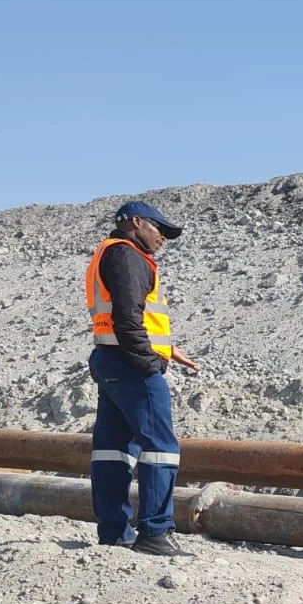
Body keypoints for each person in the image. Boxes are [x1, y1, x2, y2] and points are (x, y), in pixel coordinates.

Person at [85, 200, 200, 556]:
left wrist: (166, 349)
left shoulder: (109, 252)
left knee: (112, 450)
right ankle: (155, 531)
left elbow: (124, 319)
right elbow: (126, 318)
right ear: (136, 222)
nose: (163, 237)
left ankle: (114, 532)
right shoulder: (128, 256)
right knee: (162, 448)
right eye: (159, 229)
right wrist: (149, 362)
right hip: (130, 364)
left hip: (110, 359)